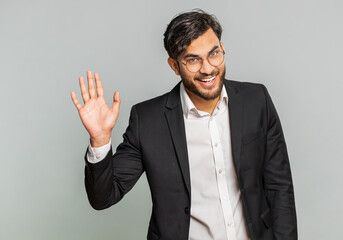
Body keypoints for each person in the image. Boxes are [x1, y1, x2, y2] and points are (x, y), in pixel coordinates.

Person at [71, 9, 297, 240]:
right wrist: (100, 140)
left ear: (223, 49)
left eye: (214, 54)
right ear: (174, 65)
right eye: (193, 60)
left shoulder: (256, 100)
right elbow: (103, 197)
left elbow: (280, 187)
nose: (207, 68)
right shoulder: (148, 121)